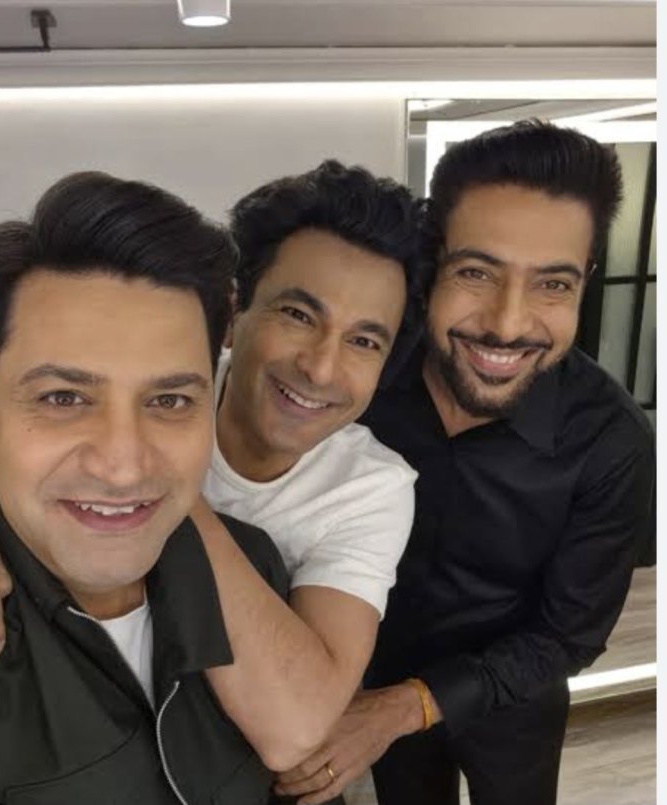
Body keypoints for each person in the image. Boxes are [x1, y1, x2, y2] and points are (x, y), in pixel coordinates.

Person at [0, 161, 425, 792]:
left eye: (168, 401)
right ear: (236, 316)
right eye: (63, 398)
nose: (123, 464)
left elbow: (296, 727)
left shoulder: (274, 550)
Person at [273, 121, 655, 805]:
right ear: (432, 267)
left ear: (585, 283)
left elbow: (569, 636)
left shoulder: (611, 439)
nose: (507, 324)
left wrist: (404, 706)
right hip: (370, 678)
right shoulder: (358, 380)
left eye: (552, 284)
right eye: (477, 272)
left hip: (512, 704)